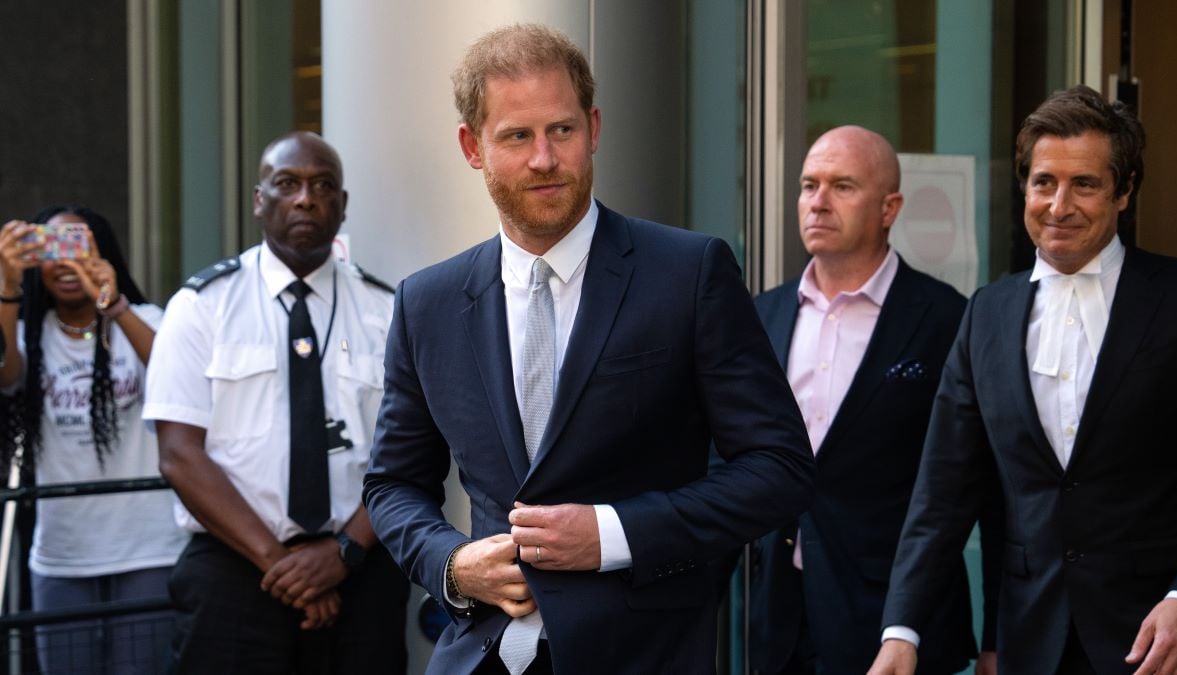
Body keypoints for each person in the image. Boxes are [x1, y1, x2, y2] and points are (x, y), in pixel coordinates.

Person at [363, 23, 814, 675]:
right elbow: (394, 482)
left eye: (563, 130)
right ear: (472, 146)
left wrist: (613, 534)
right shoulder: (427, 303)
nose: (545, 158)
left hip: (644, 653)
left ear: (594, 128)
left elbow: (779, 467)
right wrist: (452, 564)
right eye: (518, 136)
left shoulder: (689, 273)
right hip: (482, 654)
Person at [869, 85, 1177, 675]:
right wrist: (902, 629)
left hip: (1163, 641)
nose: (1058, 204)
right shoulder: (985, 313)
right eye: (1044, 182)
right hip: (1031, 639)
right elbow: (942, 492)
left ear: (1124, 192)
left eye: (1086, 184)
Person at [142, 131, 409, 673]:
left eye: (322, 186)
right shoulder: (201, 306)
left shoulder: (389, 311)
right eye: (287, 184)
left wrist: (342, 554)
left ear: (343, 205)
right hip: (235, 568)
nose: (305, 198)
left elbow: (409, 454)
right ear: (259, 200)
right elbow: (178, 454)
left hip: (359, 566)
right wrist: (283, 566)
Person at [747, 126, 987, 675]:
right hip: (782, 616)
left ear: (890, 207)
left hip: (897, 622)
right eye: (809, 186)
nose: (818, 202)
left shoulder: (946, 318)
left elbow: (974, 485)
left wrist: (994, 627)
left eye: (843, 186)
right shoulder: (763, 315)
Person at [0, 205, 186, 673]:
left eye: (78, 247)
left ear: (105, 254)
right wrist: (6, 288)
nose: (65, 263)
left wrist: (114, 305)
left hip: (147, 545)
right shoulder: (28, 332)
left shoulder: (143, 318)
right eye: (51, 249)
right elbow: (5, 375)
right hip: (62, 552)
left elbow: (176, 376)